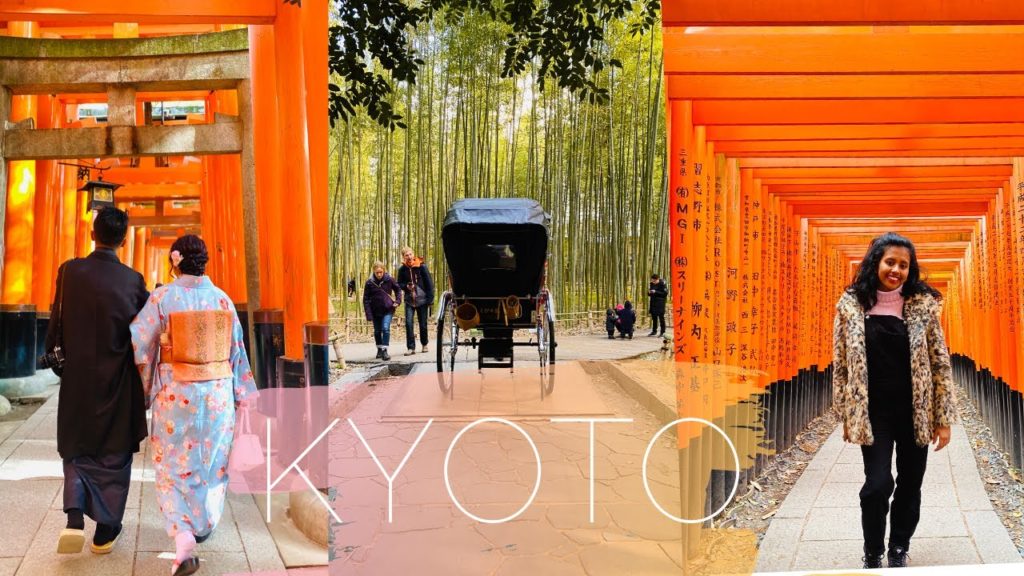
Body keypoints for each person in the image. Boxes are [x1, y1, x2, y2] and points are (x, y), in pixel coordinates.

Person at [129, 235, 257, 576]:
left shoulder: (162, 297)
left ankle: (183, 536)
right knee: (212, 462)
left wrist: (145, 389)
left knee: (171, 466)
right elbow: (237, 351)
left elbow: (140, 344)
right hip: (217, 394)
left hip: (176, 394)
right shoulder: (222, 300)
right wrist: (244, 396)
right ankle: (203, 523)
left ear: (175, 261)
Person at [831, 232, 955, 569]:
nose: (896, 270)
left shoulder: (922, 305)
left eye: (903, 264)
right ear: (876, 263)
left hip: (916, 410)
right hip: (873, 413)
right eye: (890, 262)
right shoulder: (852, 304)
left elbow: (939, 361)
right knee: (877, 485)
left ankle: (899, 545)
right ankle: (873, 550)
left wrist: (943, 419)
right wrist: (846, 414)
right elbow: (841, 364)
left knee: (910, 482)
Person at [46, 206, 149, 556]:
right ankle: (105, 529)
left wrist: (58, 361)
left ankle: (75, 517)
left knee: (77, 445)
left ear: (94, 234)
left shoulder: (70, 271)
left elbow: (55, 318)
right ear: (122, 240)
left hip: (77, 378)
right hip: (117, 379)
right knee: (114, 451)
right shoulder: (133, 281)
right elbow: (145, 333)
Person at [396, 246, 435, 355]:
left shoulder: (421, 266)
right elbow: (399, 284)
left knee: (423, 323)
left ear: (413, 254)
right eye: (406, 255)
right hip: (409, 300)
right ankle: (411, 348)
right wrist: (406, 287)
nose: (409, 257)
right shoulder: (402, 269)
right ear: (403, 257)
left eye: (410, 254)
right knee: (408, 323)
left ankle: (424, 344)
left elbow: (429, 283)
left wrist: (430, 299)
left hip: (422, 300)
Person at [363, 261, 402, 361]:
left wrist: (397, 301)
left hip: (388, 309)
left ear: (384, 271)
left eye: (381, 272)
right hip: (375, 310)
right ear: (374, 272)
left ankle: (385, 350)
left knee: (385, 328)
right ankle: (379, 349)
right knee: (377, 331)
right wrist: (368, 314)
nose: (379, 274)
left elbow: (398, 290)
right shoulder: (369, 283)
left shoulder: (389, 279)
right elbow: (366, 299)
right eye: (377, 272)